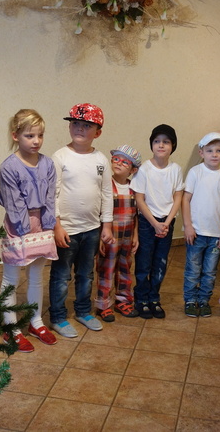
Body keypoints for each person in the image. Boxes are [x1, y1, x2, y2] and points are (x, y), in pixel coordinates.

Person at [48, 103, 115, 338]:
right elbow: (52, 194)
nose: (79, 128)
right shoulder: (60, 157)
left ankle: (83, 311)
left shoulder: (101, 160)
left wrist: (107, 225)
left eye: (87, 125)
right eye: (75, 123)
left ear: (98, 132)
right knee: (61, 275)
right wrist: (57, 226)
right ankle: (58, 317)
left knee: (86, 274)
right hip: (66, 229)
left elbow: (107, 193)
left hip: (92, 229)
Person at [0, 109, 59, 353]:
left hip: (41, 223)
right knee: (11, 278)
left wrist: (47, 226)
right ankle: (10, 328)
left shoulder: (48, 164)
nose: (36, 141)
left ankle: (36, 322)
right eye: (29, 135)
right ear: (15, 136)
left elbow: (50, 198)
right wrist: (24, 232)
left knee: (36, 275)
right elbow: (14, 204)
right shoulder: (9, 167)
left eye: (40, 135)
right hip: (18, 226)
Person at [130, 124, 184, 319]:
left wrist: (167, 222)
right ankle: (141, 299)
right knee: (144, 262)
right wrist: (155, 223)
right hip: (147, 222)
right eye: (157, 141)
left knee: (160, 263)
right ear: (152, 144)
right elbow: (139, 199)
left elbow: (178, 197)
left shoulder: (176, 169)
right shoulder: (144, 169)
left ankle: (154, 298)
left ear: (173, 145)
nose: (161, 145)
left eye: (166, 142)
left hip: (166, 223)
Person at [182, 133, 220, 317]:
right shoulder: (195, 172)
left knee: (210, 272)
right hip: (196, 232)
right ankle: (190, 300)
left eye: (219, 151)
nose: (214, 154)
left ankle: (204, 300)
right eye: (209, 150)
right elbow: (185, 200)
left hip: (215, 234)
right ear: (201, 153)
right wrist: (188, 226)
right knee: (193, 270)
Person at [95, 145, 143, 322]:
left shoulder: (133, 188)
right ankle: (103, 304)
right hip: (109, 237)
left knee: (125, 269)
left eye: (124, 162)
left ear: (133, 169)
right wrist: (100, 238)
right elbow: (100, 214)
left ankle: (123, 300)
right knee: (106, 270)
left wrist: (135, 236)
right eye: (116, 159)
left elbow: (135, 215)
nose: (118, 163)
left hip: (127, 237)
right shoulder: (106, 185)